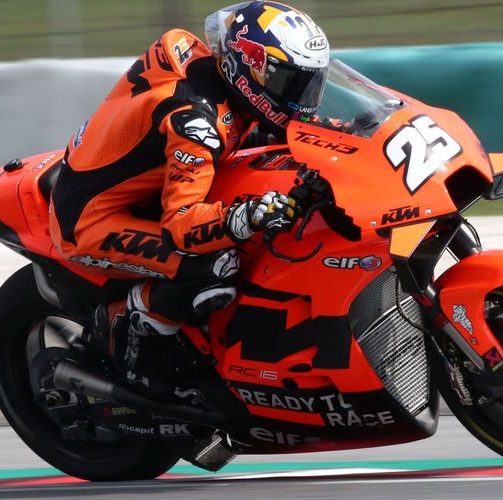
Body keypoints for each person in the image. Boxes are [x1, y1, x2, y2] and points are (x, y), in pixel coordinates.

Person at [48, 1, 330, 397]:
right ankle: (124, 332)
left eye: (311, 85)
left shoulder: (203, 64)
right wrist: (250, 215)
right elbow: (182, 228)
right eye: (290, 85)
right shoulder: (196, 125)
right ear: (249, 69)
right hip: (90, 219)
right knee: (215, 265)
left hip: (135, 188)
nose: (302, 100)